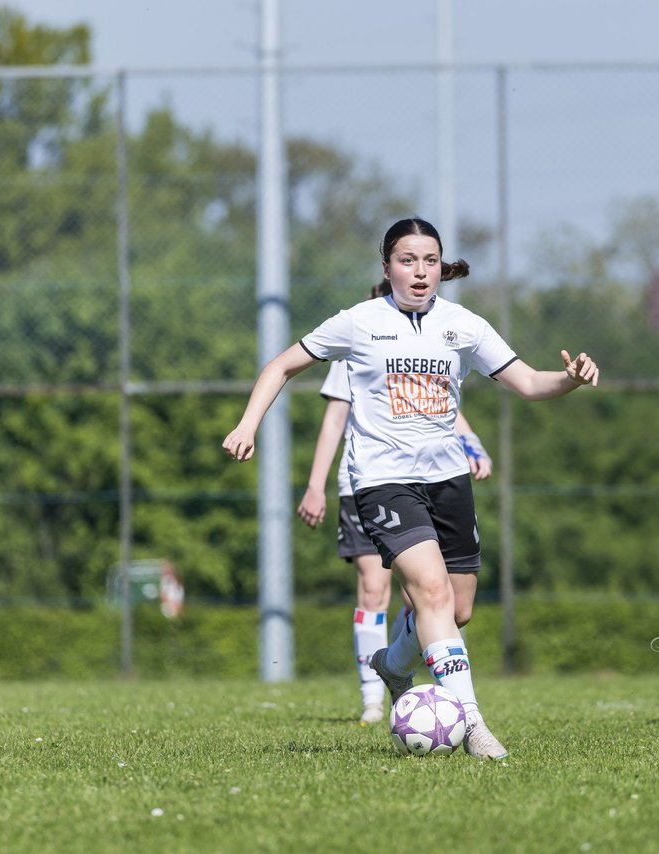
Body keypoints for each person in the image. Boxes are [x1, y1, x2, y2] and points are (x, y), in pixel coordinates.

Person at [224, 217, 599, 759]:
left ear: (441, 267)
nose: (420, 272)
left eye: (429, 261)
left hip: (447, 478)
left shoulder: (463, 324)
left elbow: (529, 382)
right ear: (386, 268)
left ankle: (395, 662)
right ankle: (473, 726)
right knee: (432, 593)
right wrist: (246, 424)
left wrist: (571, 379)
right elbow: (281, 365)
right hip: (382, 481)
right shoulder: (358, 323)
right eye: (407, 261)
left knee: (458, 607)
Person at [297, 282, 494, 727]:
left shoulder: (438, 337)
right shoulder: (358, 337)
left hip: (431, 479)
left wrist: (473, 444)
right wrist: (315, 484)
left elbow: (439, 402)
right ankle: (373, 698)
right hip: (367, 482)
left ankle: (395, 665)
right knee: (375, 586)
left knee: (442, 603)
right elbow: (334, 421)